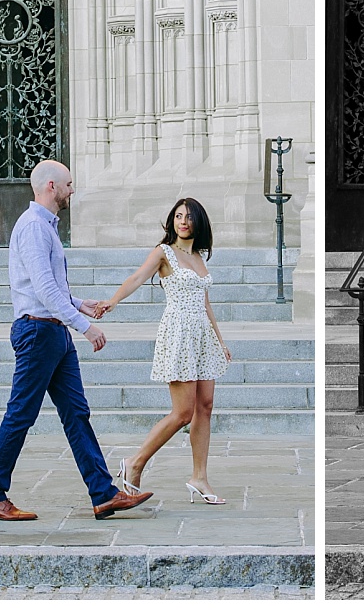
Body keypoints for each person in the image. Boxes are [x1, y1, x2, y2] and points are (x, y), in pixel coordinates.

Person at [0, 160, 153, 522]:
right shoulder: (34, 228)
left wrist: (77, 304)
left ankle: (103, 494)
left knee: (76, 414)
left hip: (52, 331)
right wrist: (84, 327)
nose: (73, 191)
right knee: (21, 414)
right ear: (52, 186)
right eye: (70, 185)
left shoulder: (45, 228)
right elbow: (41, 289)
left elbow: (47, 287)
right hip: (39, 332)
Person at [99, 197, 233, 505]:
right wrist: (113, 300)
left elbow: (206, 301)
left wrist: (220, 340)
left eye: (189, 217)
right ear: (171, 221)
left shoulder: (200, 257)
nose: (183, 222)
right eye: (178, 216)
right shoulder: (164, 253)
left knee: (205, 406)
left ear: (199, 222)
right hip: (179, 333)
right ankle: (135, 462)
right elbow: (137, 277)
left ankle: (199, 477)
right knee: (183, 412)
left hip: (202, 335)